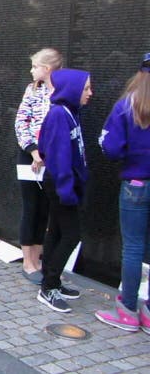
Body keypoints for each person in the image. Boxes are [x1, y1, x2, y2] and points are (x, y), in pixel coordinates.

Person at [95, 53, 150, 332]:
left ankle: (128, 310)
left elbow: (111, 147)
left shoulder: (128, 105)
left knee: (133, 248)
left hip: (136, 185)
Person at [36, 68, 92, 313]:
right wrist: (66, 188)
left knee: (57, 232)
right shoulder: (60, 114)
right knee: (71, 235)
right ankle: (48, 287)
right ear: (73, 90)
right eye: (86, 88)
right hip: (61, 184)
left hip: (65, 183)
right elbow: (57, 155)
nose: (90, 93)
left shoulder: (70, 112)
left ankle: (51, 281)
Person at [14, 48, 62, 285]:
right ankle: (27, 260)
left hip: (52, 158)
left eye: (35, 66)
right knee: (31, 206)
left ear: (47, 69)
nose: (31, 71)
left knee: (45, 208)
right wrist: (33, 151)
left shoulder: (63, 92)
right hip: (29, 156)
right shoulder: (32, 89)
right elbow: (21, 121)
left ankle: (39, 258)